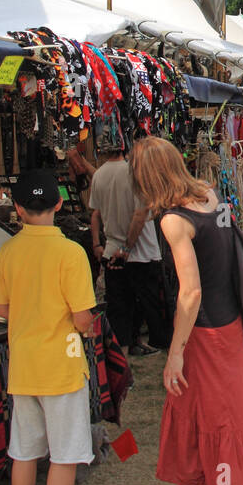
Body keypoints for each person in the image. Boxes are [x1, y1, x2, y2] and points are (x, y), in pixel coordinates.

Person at [130, 137, 243, 485]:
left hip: (206, 331)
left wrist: (175, 351)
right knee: (221, 414)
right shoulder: (211, 196)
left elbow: (190, 292)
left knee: (214, 420)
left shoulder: (174, 220)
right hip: (228, 323)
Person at [0, 169, 96, 485]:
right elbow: (83, 318)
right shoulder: (71, 253)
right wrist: (89, 330)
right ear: (60, 203)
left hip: (23, 366)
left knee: (23, 451)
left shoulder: (7, 251)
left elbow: (2, 310)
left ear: (18, 208)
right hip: (63, 369)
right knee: (63, 454)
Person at [91, 134, 168, 356]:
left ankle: (122, 352)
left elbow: (95, 214)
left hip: (111, 250)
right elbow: (140, 213)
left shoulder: (98, 175)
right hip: (138, 253)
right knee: (150, 303)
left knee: (119, 307)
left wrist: (97, 244)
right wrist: (127, 246)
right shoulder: (135, 174)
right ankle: (157, 344)